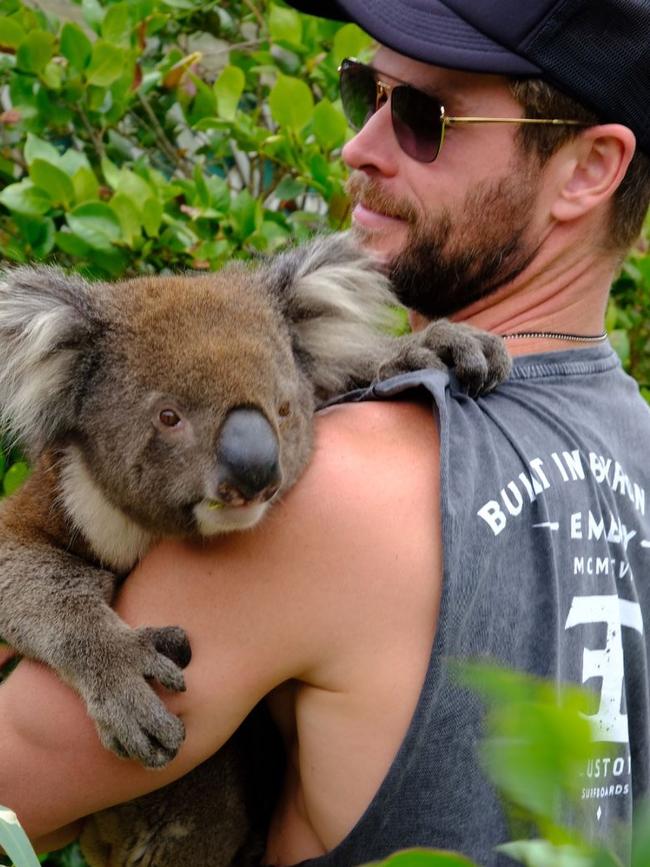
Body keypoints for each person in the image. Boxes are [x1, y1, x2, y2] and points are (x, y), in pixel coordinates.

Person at [1, 1, 650, 865]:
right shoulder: (635, 442)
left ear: (587, 170)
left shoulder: (331, 492)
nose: (360, 147)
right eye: (363, 93)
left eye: (427, 118)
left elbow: (19, 792)